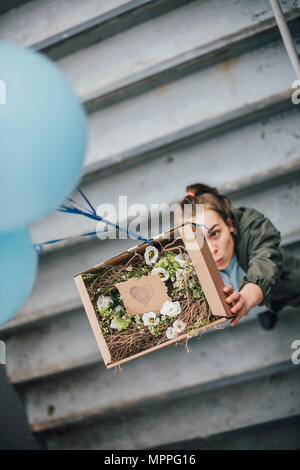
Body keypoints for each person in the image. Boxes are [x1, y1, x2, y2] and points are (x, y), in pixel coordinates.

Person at [177, 183, 300, 329]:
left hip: (282, 283)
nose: (211, 250)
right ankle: (266, 310)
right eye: (198, 241)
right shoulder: (185, 257)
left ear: (230, 225)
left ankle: (271, 306)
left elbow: (265, 260)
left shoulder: (252, 227)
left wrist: (247, 299)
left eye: (215, 234)